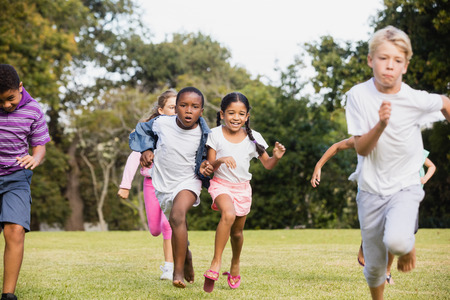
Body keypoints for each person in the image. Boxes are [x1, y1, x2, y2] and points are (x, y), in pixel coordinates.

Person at [345, 25, 450, 300]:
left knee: (397, 240)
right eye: (383, 58)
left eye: (397, 61)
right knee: (374, 267)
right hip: (370, 190)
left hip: (405, 185)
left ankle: (407, 244)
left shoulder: (414, 99)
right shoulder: (357, 96)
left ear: (405, 65)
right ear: (370, 60)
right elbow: (362, 149)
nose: (389, 66)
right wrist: (381, 124)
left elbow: (446, 103)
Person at [311, 140, 436, 284]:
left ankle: (386, 259)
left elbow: (427, 165)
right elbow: (337, 146)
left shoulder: (407, 143)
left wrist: (423, 178)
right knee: (383, 230)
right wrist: (318, 165)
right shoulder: (369, 138)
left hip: (401, 193)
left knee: (400, 231)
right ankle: (385, 270)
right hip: (373, 192)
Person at [200, 92, 286, 293]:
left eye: (241, 113)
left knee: (237, 232)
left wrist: (277, 157)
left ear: (247, 116)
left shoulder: (253, 137)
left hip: (242, 188)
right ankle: (215, 262)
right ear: (222, 114)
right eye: (231, 113)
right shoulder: (214, 134)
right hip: (220, 185)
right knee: (227, 214)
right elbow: (210, 166)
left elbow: (268, 165)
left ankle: (235, 263)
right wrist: (221, 160)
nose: (236, 117)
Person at [129, 87, 211, 288]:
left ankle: (178, 272)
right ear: (176, 108)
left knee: (177, 216)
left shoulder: (206, 133)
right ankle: (187, 254)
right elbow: (140, 130)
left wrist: (208, 166)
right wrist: (147, 149)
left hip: (189, 181)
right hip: (163, 184)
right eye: (182, 106)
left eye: (194, 107)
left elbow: (213, 156)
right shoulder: (161, 123)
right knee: (176, 223)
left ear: (201, 111)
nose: (188, 110)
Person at [0, 64, 51, 300]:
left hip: (16, 177)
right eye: (0, 101)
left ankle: (8, 294)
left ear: (20, 87)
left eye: (10, 98)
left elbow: (39, 145)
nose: (6, 105)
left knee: (15, 230)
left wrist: (35, 158)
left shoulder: (33, 110)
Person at [117, 90, 176, 280]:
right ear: (161, 110)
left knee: (168, 225)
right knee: (155, 230)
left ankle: (169, 267)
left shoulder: (183, 133)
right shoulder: (148, 133)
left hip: (172, 185)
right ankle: (170, 239)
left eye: (179, 108)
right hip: (151, 185)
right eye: (172, 107)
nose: (177, 112)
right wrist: (125, 185)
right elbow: (134, 157)